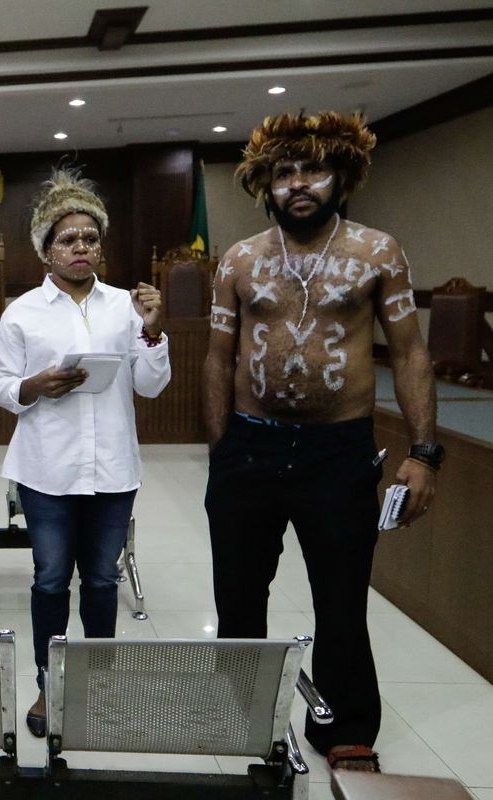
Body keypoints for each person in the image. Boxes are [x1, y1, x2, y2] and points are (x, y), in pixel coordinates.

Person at [204, 111, 439, 772]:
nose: (299, 183)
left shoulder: (378, 252)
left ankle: (346, 727)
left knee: (341, 596)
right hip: (249, 449)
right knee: (239, 595)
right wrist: (222, 452)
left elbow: (412, 355)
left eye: (313, 169)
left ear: (343, 175)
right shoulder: (240, 260)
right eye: (284, 172)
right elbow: (217, 359)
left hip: (338, 451)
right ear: (265, 185)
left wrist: (423, 453)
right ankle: (240, 712)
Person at [0, 168, 170, 736]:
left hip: (114, 468)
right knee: (49, 581)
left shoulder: (126, 307)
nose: (81, 248)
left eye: (90, 238)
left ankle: (97, 683)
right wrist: (33, 386)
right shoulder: (21, 312)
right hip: (47, 469)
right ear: (45, 249)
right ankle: (50, 685)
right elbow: (1, 386)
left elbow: (150, 386)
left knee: (100, 581)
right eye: (67, 239)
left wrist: (151, 334)